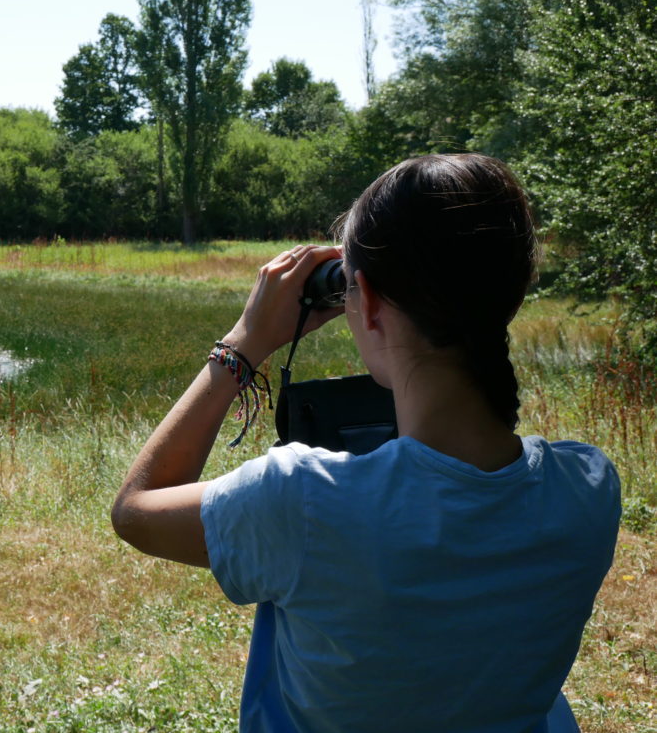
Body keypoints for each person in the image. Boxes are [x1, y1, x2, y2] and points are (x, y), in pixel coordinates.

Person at [111, 153, 621, 732]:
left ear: (368, 301)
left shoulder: (302, 501)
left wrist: (244, 344)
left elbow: (135, 510)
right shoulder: (588, 487)